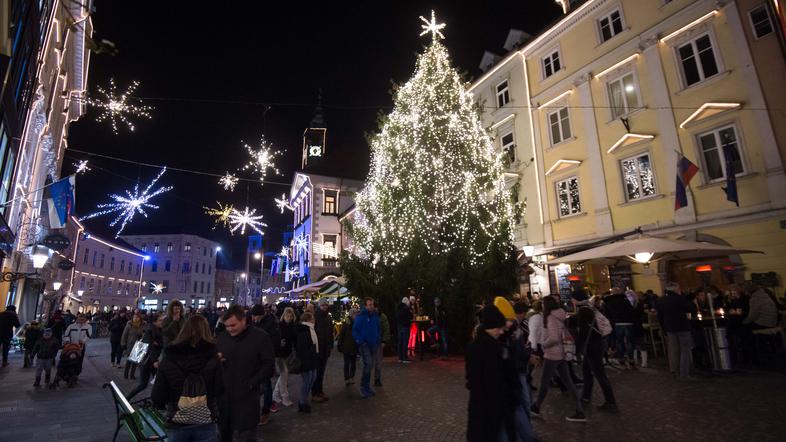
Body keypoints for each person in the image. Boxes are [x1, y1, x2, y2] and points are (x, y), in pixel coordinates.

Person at [152, 315, 223, 442]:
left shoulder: (169, 356)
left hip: (177, 419)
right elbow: (219, 389)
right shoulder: (213, 356)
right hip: (206, 419)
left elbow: (158, 395)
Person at [216, 305, 274, 442]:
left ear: (243, 320)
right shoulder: (222, 337)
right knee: (223, 434)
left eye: (233, 325)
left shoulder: (260, 337)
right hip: (224, 398)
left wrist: (252, 383)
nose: (229, 329)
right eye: (227, 326)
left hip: (247, 398)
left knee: (247, 436)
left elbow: (269, 365)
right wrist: (217, 361)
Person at [531, 296, 586, 423]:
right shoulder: (560, 314)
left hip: (552, 354)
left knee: (545, 382)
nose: (542, 306)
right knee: (568, 382)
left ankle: (536, 407)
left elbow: (554, 337)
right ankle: (579, 410)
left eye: (543, 304)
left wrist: (544, 344)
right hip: (561, 352)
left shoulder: (550, 317)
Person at [465, 304, 512, 441]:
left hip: (495, 405)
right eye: (498, 328)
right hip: (484, 407)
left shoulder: (496, 345)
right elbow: (474, 380)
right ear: (489, 328)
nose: (501, 332)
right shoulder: (478, 349)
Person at [576, 306, 617, 411]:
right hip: (597, 348)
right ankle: (586, 395)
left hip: (591, 351)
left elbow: (581, 338)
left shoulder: (585, 325)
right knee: (587, 372)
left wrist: (575, 352)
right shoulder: (595, 323)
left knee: (600, 375)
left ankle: (610, 401)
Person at [249, 304, 280, 423]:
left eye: (255, 316)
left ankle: (266, 412)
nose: (253, 318)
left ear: (260, 315)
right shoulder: (255, 324)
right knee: (259, 386)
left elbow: (274, 342)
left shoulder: (270, 324)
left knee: (266, 386)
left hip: (265, 361)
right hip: (255, 361)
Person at [657, 282, 693, 380]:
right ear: (676, 289)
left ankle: (674, 370)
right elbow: (690, 308)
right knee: (685, 350)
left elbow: (659, 316)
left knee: (673, 350)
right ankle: (684, 373)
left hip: (669, 328)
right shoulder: (679, 298)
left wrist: (664, 329)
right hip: (682, 326)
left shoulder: (661, 300)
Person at [127, 313, 165, 399]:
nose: (162, 322)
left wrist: (158, 344)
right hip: (147, 361)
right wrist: (155, 360)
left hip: (153, 361)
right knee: (143, 385)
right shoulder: (150, 330)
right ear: (154, 321)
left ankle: (156, 401)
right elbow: (150, 347)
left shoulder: (159, 330)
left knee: (159, 382)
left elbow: (160, 344)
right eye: (160, 320)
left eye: (163, 320)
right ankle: (127, 398)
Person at [353, 297, 381, 398]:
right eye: (369, 305)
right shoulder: (361, 316)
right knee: (368, 364)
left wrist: (378, 339)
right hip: (364, 344)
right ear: (365, 306)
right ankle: (363, 387)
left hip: (373, 344)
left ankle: (366, 386)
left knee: (370, 365)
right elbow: (355, 330)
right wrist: (360, 340)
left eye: (372, 304)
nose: (371, 306)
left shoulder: (375, 316)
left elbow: (378, 328)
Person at [603, 287, 636, 369]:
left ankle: (621, 360)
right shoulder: (625, 300)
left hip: (618, 323)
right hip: (628, 322)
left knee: (619, 342)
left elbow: (607, 313)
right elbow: (631, 310)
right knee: (629, 342)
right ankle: (631, 361)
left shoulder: (609, 301)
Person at [294, 311, 319, 413]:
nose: (314, 319)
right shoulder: (305, 331)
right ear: (309, 320)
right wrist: (310, 354)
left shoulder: (311, 329)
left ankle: (304, 401)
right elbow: (303, 348)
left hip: (312, 359)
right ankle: (302, 402)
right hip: (306, 361)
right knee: (307, 381)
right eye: (312, 318)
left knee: (311, 379)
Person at [273, 307, 297, 408]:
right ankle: (284, 397)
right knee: (284, 373)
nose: (289, 318)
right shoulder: (279, 326)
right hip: (279, 354)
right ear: (284, 315)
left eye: (291, 316)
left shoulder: (292, 326)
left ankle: (275, 394)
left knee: (283, 375)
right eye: (288, 316)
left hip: (287, 353)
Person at [311, 298, 334, 403]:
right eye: (323, 305)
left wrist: (330, 345)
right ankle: (315, 393)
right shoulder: (315, 317)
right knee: (317, 372)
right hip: (317, 349)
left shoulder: (328, 318)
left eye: (326, 305)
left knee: (321, 372)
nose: (325, 307)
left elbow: (330, 333)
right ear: (319, 306)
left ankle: (320, 391)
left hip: (325, 348)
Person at [337, 308, 359, 386]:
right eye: (355, 314)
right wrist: (340, 345)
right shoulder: (346, 324)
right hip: (347, 347)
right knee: (347, 363)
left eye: (357, 314)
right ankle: (347, 378)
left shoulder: (357, 323)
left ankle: (352, 377)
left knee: (353, 363)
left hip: (354, 346)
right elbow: (341, 335)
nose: (356, 315)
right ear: (351, 315)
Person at [121, 312, 146, 380]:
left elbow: (145, 333)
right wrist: (123, 344)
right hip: (130, 344)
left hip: (139, 344)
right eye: (134, 317)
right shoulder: (129, 325)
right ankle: (126, 374)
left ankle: (132, 375)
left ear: (140, 318)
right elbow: (124, 335)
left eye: (137, 317)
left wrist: (142, 335)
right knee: (129, 361)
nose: (135, 319)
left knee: (135, 361)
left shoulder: (143, 325)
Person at [375, 307, 391, 387]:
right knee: (368, 363)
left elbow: (386, 328)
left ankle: (377, 379)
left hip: (378, 342)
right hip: (369, 342)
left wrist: (384, 340)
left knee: (378, 362)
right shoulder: (368, 316)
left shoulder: (382, 317)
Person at [396, 297, 413, 363]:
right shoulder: (406, 309)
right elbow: (410, 316)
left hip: (399, 327)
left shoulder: (398, 308)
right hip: (405, 326)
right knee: (405, 342)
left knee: (400, 342)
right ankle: (405, 358)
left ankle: (400, 358)